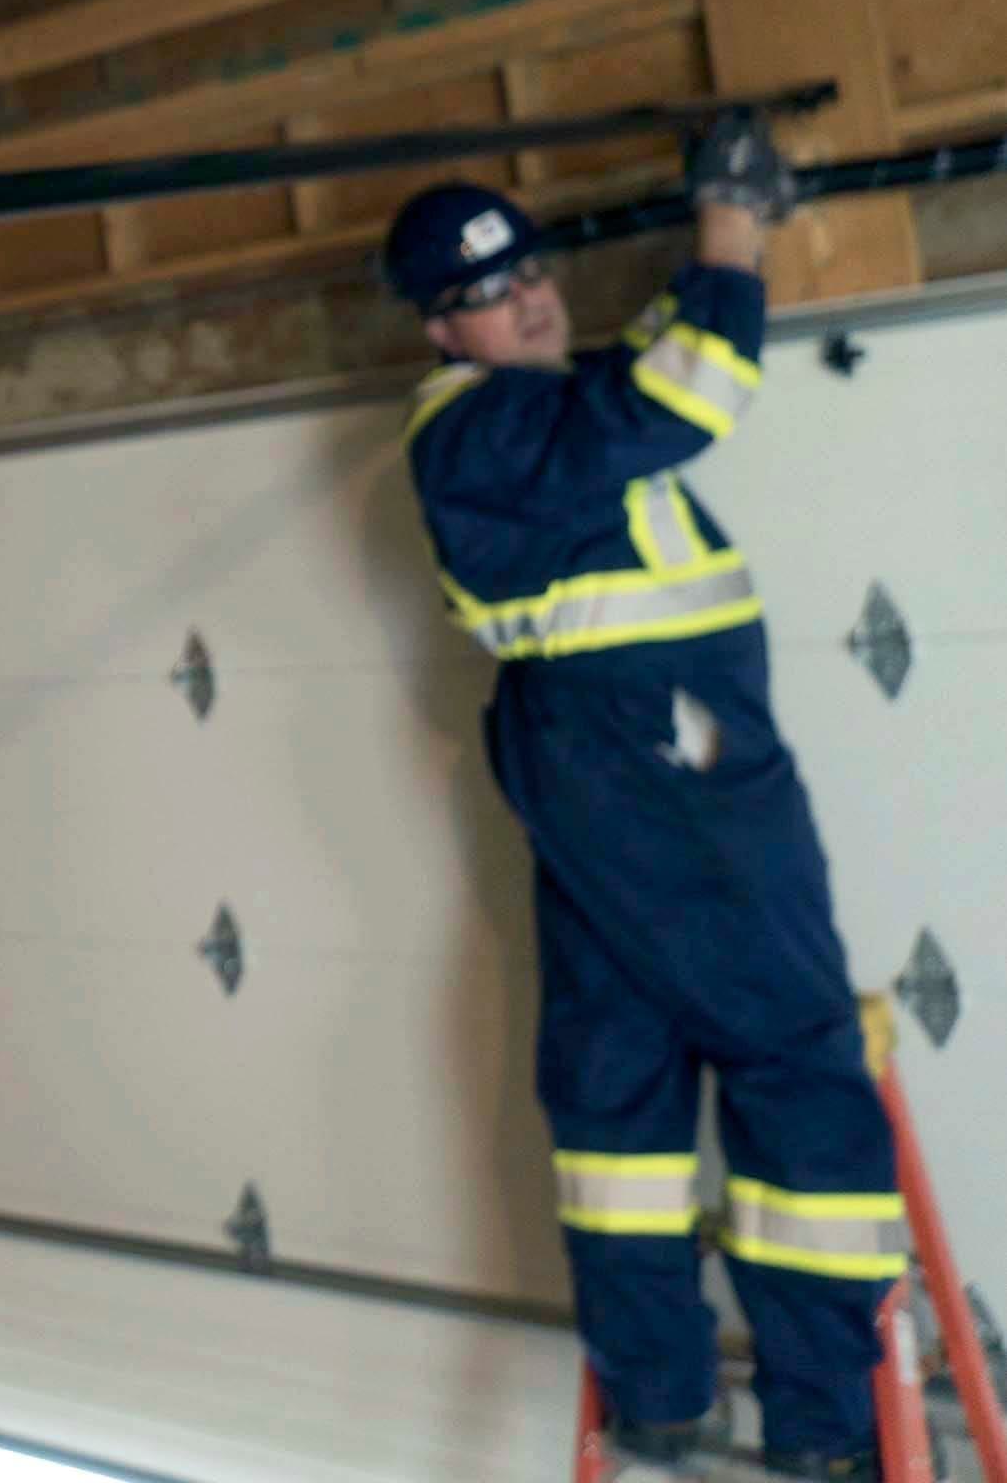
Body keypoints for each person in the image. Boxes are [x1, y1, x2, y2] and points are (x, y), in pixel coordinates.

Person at [385, 129, 907, 1481]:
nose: (531, 296)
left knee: (618, 1074)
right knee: (793, 1056)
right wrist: (730, 228)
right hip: (657, 766)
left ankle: (662, 1402)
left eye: (531, 269)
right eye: (493, 292)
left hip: (612, 767)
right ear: (442, 327)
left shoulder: (529, 417)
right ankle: (822, 1426)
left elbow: (636, 383)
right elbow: (686, 393)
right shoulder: (487, 425)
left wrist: (696, 275)